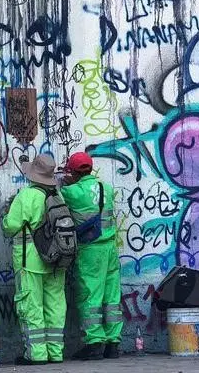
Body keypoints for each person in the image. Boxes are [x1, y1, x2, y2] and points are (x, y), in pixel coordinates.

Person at [2, 155, 66, 365]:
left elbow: (11, 226)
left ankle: (37, 354)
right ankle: (56, 352)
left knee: (31, 306)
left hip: (30, 260)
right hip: (57, 260)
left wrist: (5, 217)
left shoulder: (26, 195)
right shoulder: (58, 195)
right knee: (55, 306)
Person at [60, 152, 123, 360]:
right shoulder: (107, 188)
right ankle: (113, 343)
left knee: (90, 296)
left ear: (74, 172)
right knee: (111, 297)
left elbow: (61, 194)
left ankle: (94, 342)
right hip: (111, 249)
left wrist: (66, 180)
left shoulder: (72, 192)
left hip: (91, 251)